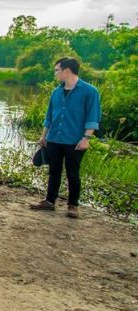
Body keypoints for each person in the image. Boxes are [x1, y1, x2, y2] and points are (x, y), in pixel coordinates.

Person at [30, 57, 101, 218]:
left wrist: (86, 138)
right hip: (54, 138)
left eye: (57, 70)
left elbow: (93, 117)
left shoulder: (90, 91)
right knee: (54, 171)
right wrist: (44, 136)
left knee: (73, 173)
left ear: (67, 70)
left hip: (75, 140)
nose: (55, 74)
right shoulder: (56, 92)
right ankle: (49, 201)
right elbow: (49, 117)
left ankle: (73, 205)